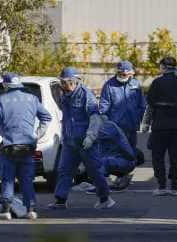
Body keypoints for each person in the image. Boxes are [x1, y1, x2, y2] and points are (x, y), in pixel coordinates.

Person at [0, 73, 52, 220]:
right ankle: (30, 210)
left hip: (8, 148)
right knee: (27, 180)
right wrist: (36, 135)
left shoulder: (0, 100)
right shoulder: (32, 99)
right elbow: (46, 118)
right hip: (27, 147)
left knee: (7, 180)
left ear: (5, 85)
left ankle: (6, 211)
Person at [48, 66, 115, 210]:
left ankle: (105, 198)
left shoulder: (86, 95)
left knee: (94, 171)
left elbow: (95, 117)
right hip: (70, 141)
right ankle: (60, 200)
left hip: (86, 142)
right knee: (64, 170)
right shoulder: (65, 96)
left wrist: (91, 136)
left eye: (66, 83)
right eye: (63, 83)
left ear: (74, 81)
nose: (64, 86)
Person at [141, 57, 177, 196]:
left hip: (160, 126)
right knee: (175, 158)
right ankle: (174, 187)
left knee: (158, 157)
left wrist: (145, 124)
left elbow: (150, 107)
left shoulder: (157, 83)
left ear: (162, 67)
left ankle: (162, 185)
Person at [99, 60, 146, 187]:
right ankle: (106, 177)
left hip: (131, 127)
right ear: (118, 72)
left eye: (127, 74)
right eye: (122, 73)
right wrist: (105, 125)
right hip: (115, 128)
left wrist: (143, 121)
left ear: (131, 73)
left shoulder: (136, 85)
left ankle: (123, 176)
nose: (125, 76)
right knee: (111, 153)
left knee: (129, 153)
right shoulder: (109, 85)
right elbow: (103, 107)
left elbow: (142, 105)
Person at [86, 120, 136, 194]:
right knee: (97, 159)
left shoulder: (107, 125)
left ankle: (104, 185)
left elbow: (96, 135)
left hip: (126, 160)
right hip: (119, 159)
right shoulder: (103, 126)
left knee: (101, 162)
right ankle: (122, 178)